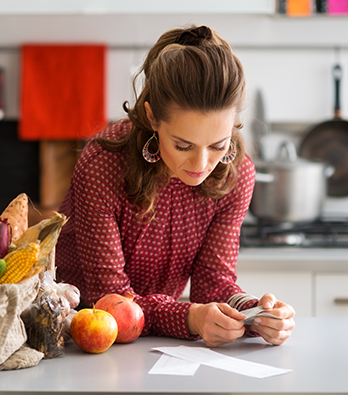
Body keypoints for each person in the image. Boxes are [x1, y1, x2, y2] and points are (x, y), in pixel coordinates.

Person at [55, 25, 295, 347]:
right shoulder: (102, 167)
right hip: (77, 334)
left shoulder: (236, 176)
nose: (201, 165)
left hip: (157, 341)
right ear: (152, 117)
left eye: (218, 145)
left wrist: (254, 314)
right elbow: (110, 301)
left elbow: (213, 285)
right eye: (183, 146)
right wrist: (189, 318)